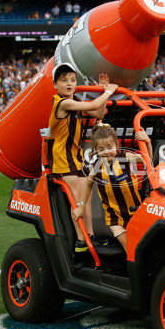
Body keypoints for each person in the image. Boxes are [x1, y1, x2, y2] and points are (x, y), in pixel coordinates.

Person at [47, 63, 117, 252]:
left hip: (75, 156)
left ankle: (91, 236)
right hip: (63, 157)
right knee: (77, 197)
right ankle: (80, 240)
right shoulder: (63, 103)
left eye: (72, 79)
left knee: (87, 195)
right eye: (64, 80)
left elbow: (99, 112)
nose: (69, 83)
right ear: (55, 85)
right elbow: (94, 104)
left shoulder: (75, 99)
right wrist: (108, 92)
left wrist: (102, 91)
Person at [73, 124, 152, 251]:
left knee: (143, 248)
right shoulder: (97, 165)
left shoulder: (124, 158)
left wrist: (147, 143)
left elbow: (147, 160)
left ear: (116, 145)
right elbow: (87, 185)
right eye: (102, 149)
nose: (107, 151)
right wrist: (81, 206)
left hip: (135, 213)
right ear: (96, 150)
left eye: (110, 147)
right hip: (115, 218)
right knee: (131, 249)